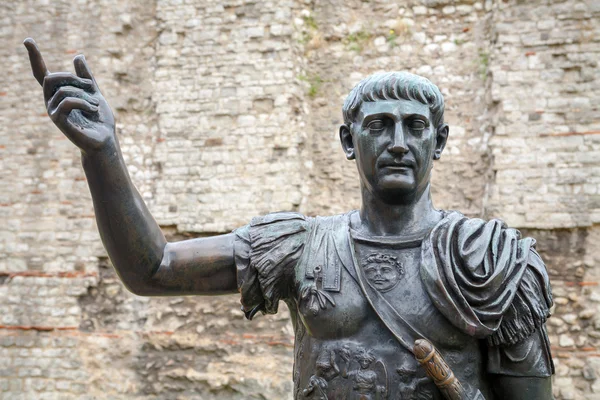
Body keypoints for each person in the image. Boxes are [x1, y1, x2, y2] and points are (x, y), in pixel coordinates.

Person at [24, 38, 554, 399]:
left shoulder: (490, 260)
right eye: (378, 126)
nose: (397, 142)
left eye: (415, 127)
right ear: (350, 140)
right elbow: (153, 268)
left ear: (438, 142)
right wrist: (103, 154)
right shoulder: (300, 247)